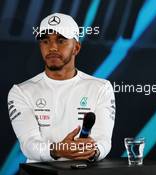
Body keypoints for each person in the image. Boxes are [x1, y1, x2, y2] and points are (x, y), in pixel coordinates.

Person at [7, 13, 115, 162]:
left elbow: (103, 140)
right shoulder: (21, 91)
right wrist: (59, 150)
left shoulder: (101, 88)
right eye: (45, 41)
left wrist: (93, 151)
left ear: (76, 48)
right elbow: (28, 144)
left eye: (61, 40)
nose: (52, 47)